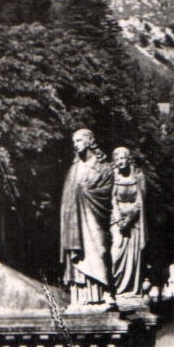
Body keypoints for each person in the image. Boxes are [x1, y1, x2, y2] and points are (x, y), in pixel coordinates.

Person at [60, 128, 113, 307]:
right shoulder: (73, 170)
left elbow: (108, 192)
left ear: (90, 141)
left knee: (99, 251)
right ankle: (81, 296)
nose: (75, 145)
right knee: (80, 257)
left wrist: (87, 193)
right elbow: (66, 202)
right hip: (75, 223)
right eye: (73, 141)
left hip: (95, 218)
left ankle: (103, 293)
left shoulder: (104, 167)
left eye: (79, 140)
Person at [109, 147, 147, 298]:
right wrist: (119, 218)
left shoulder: (138, 176)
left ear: (128, 159)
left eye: (123, 158)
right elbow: (111, 198)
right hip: (116, 219)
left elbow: (141, 200)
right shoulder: (112, 177)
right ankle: (116, 287)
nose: (120, 161)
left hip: (134, 221)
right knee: (116, 250)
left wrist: (130, 218)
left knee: (134, 254)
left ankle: (131, 290)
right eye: (117, 159)